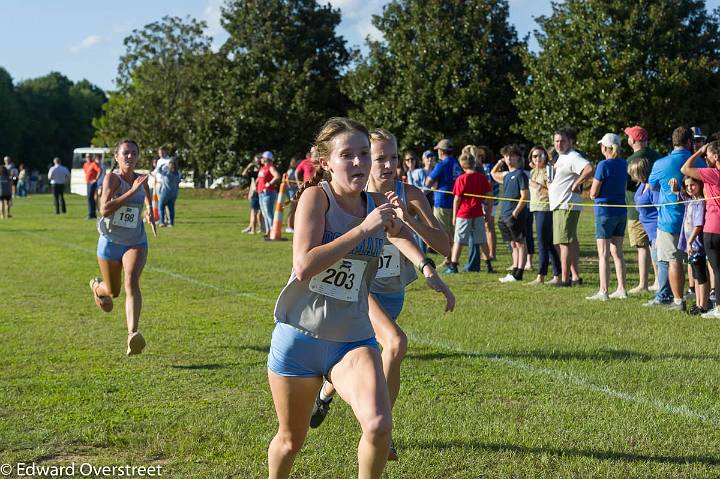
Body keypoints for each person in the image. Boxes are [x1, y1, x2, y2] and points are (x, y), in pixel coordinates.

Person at [266, 118, 451, 479]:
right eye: (347, 155)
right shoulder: (315, 198)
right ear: (326, 163)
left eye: (364, 154)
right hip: (300, 338)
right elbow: (303, 265)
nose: (358, 162)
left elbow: (400, 235)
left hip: (352, 339)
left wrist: (424, 263)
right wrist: (363, 229)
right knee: (291, 441)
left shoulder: (380, 201)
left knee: (380, 425)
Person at [89, 139, 156, 355]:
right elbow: (104, 209)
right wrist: (130, 192)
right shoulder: (112, 178)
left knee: (131, 280)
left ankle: (132, 335)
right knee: (113, 293)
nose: (130, 156)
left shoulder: (142, 179)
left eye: (134, 153)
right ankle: (97, 288)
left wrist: (149, 212)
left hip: (135, 241)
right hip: (109, 242)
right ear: (117, 157)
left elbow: (147, 199)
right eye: (125, 153)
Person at [645, 126, 694, 311]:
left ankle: (678, 301)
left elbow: (652, 186)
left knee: (673, 261)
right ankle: (705, 300)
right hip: (696, 219)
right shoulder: (699, 163)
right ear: (689, 142)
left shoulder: (660, 163)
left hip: (670, 220)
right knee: (699, 261)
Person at [549, 128, 593, 287]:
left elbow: (588, 168)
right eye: (556, 141)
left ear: (570, 142)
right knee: (568, 241)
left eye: (562, 141)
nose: (559, 144)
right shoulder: (560, 157)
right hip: (560, 204)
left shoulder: (573, 156)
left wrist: (577, 183)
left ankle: (565, 278)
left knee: (563, 242)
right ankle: (574, 277)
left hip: (566, 204)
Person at [681, 141, 720, 318]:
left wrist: (699, 151)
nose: (705, 158)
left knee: (717, 269)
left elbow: (685, 168)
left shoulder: (713, 173)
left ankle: (718, 308)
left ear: (716, 157)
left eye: (708, 156)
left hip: (713, 228)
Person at [587, 133, 628, 301]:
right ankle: (622, 289)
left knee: (603, 253)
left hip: (605, 212)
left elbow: (593, 192)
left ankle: (603, 291)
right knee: (617, 252)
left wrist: (591, 193)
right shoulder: (624, 163)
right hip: (621, 211)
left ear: (605, 148)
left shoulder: (603, 165)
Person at [624, 126, 661, 294]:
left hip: (636, 208)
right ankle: (658, 280)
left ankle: (643, 284)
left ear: (633, 140)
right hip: (657, 212)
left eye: (628, 137)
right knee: (655, 246)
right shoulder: (657, 157)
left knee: (642, 247)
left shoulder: (631, 159)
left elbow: (627, 185)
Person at [445, 151, 493, 274]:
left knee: (459, 240)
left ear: (462, 165)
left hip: (464, 213)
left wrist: (455, 216)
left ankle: (453, 266)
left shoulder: (461, 179)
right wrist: (488, 213)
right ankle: (488, 265)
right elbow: (489, 196)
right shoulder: (482, 178)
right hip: (478, 212)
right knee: (482, 240)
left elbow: (457, 199)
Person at [670, 175, 708, 314]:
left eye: (692, 185)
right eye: (687, 186)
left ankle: (703, 306)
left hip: (697, 245)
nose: (690, 188)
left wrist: (690, 241)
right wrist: (675, 190)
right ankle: (698, 304)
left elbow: (698, 224)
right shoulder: (691, 200)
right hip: (691, 246)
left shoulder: (700, 202)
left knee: (701, 276)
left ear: (699, 184)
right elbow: (680, 197)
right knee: (696, 276)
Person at [492, 144, 530, 283]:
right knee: (513, 244)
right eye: (506, 156)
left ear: (518, 158)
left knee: (520, 243)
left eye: (511, 156)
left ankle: (519, 272)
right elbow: (492, 174)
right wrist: (499, 162)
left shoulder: (520, 174)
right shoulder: (507, 176)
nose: (508, 159)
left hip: (514, 214)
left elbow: (525, 195)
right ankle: (514, 270)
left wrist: (516, 211)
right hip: (505, 214)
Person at [426, 139, 462, 266]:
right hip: (456, 202)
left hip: (442, 202)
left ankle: (448, 259)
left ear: (441, 151)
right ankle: (450, 258)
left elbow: (428, 182)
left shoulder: (441, 165)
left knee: (443, 233)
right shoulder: (457, 163)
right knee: (452, 233)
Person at [528, 146, 560, 285]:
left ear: (545, 156)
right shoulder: (532, 172)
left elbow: (553, 190)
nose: (537, 158)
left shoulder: (548, 171)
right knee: (548, 243)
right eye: (534, 156)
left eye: (540, 155)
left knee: (542, 242)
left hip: (545, 208)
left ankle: (541, 275)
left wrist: (539, 186)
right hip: (536, 207)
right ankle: (558, 274)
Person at [629, 158, 660, 294]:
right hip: (646, 227)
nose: (631, 176)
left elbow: (659, 208)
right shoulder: (641, 185)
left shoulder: (653, 187)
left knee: (659, 260)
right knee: (654, 257)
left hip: (656, 229)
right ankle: (659, 285)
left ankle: (662, 288)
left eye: (633, 173)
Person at [257, 151, 281, 236]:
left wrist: (270, 183)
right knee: (264, 213)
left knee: (269, 213)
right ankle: (268, 231)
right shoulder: (263, 168)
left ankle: (272, 231)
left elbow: (277, 176)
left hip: (268, 193)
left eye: (263, 158)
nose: (261, 159)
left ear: (267, 159)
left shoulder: (270, 167)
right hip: (261, 193)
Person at [241, 155, 263, 234]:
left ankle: (258, 228)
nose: (256, 163)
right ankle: (251, 226)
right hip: (253, 191)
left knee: (258, 211)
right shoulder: (253, 171)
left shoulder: (262, 170)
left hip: (258, 191)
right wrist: (248, 166)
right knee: (253, 210)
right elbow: (243, 174)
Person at [157, 160, 181, 227]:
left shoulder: (166, 173)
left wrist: (163, 164)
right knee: (171, 209)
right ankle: (171, 223)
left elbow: (159, 170)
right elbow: (178, 182)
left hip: (165, 192)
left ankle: (161, 222)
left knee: (161, 207)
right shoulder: (177, 174)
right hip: (174, 193)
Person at [83, 153, 102, 219]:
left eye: (89, 156)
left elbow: (100, 170)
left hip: (92, 183)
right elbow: (86, 172)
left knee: (90, 198)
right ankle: (92, 214)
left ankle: (91, 214)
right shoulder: (85, 164)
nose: (88, 158)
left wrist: (96, 179)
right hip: (88, 183)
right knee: (90, 198)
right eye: (87, 156)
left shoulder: (94, 164)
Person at [285, 157, 299, 233]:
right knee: (292, 209)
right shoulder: (290, 171)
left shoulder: (295, 170)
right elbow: (287, 180)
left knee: (294, 209)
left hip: (295, 191)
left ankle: (292, 226)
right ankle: (289, 226)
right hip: (291, 191)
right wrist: (291, 185)